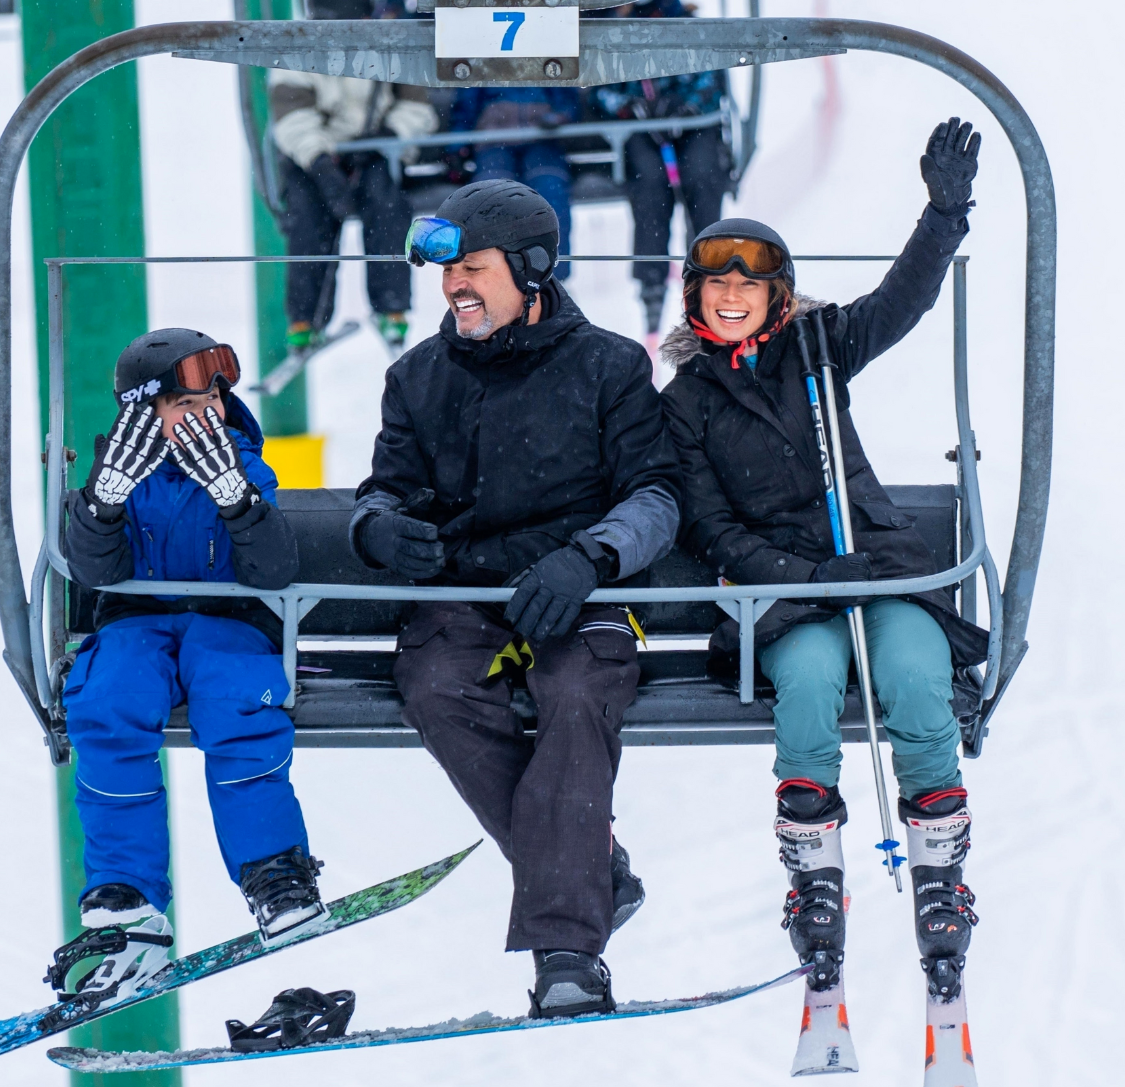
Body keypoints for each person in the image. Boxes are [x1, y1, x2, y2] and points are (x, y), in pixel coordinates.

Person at [659, 120, 990, 1003]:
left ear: (778, 296)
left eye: (750, 283)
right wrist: (799, 576)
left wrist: (943, 214)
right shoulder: (685, 400)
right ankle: (812, 875)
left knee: (914, 677)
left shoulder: (818, 347)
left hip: (875, 563)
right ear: (694, 296)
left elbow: (901, 301)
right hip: (783, 592)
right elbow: (708, 526)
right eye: (717, 283)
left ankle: (938, 875)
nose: (733, 295)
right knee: (806, 684)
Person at [351, 180, 680, 1017]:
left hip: (580, 591)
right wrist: (377, 529)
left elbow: (654, 493)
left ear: (530, 271)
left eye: (473, 267)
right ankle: (589, 871)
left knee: (574, 693)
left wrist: (590, 556)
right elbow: (385, 488)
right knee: (435, 686)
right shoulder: (418, 377)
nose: (454, 285)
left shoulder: (608, 367)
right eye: (447, 270)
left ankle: (566, 952)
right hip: (466, 592)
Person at [55, 328, 321, 1010]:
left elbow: (273, 568)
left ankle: (274, 872)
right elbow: (95, 569)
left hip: (227, 619)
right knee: (107, 702)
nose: (206, 415)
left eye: (214, 401)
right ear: (143, 415)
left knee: (236, 701)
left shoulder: (242, 465)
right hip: (135, 620)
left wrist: (235, 496)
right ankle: (128, 894)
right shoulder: (119, 474)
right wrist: (104, 500)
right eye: (185, 405)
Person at [268, 0, 438, 353]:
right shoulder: (295, 48)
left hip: (375, 150)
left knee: (386, 206)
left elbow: (416, 106)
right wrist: (320, 162)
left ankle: (391, 306)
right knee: (308, 215)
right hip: (313, 155)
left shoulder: (392, 43)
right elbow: (292, 119)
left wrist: (389, 136)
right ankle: (306, 318)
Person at [591, 0, 733, 344]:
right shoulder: (613, 28)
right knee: (649, 183)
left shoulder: (686, 24)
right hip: (641, 126)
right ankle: (651, 281)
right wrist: (630, 107)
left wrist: (687, 106)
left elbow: (711, 76)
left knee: (701, 176)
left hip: (694, 122)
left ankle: (711, 267)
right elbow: (599, 83)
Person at [449, 87, 580, 279]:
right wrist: (457, 147)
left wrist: (560, 115)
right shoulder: (483, 68)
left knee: (549, 190)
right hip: (494, 139)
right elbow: (466, 104)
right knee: (489, 198)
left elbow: (566, 91)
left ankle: (551, 276)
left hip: (542, 137)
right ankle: (493, 276)